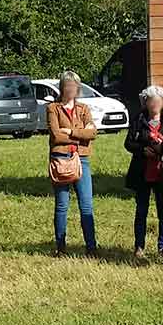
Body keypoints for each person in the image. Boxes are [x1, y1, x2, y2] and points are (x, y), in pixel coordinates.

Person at [124, 85, 163, 258]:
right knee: (141, 210)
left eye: (157, 101)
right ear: (145, 102)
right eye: (150, 101)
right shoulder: (138, 118)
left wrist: (160, 149)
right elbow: (128, 143)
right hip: (142, 171)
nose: (154, 104)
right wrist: (142, 150)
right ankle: (139, 246)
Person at [46, 70, 99, 256]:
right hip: (60, 160)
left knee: (86, 205)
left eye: (74, 86)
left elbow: (93, 133)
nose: (71, 89)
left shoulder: (83, 109)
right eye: (67, 85)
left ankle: (91, 247)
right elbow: (55, 135)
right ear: (62, 87)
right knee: (62, 205)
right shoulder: (53, 108)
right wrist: (80, 133)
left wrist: (69, 132)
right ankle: (60, 247)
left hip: (82, 160)